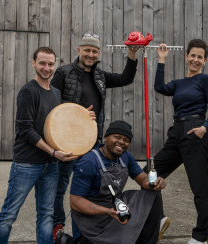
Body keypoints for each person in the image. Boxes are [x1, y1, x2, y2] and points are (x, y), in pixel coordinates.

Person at [51, 33, 139, 238]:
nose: (90, 54)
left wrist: (132, 54)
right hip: (67, 142)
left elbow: (125, 78)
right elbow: (52, 107)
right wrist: (79, 114)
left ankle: (85, 231)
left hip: (91, 143)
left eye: (94, 51)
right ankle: (58, 225)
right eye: (87, 50)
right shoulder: (63, 73)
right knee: (61, 187)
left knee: (87, 190)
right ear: (79, 50)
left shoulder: (99, 75)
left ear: (98, 53)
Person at [0, 47, 78, 244]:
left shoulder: (56, 93)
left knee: (46, 216)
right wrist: (53, 152)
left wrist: (84, 116)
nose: (46, 68)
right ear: (33, 63)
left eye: (50, 64)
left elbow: (59, 123)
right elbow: (26, 130)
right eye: (42, 63)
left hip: (50, 165)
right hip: (27, 164)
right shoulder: (28, 91)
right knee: (9, 215)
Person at [147, 39, 208, 244]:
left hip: (196, 132)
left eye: (200, 57)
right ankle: (159, 218)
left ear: (204, 60)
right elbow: (159, 87)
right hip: (176, 133)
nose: (195, 59)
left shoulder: (205, 80)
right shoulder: (179, 83)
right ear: (186, 56)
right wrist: (161, 60)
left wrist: (204, 128)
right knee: (149, 174)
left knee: (201, 188)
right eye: (192, 55)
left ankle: (200, 237)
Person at [59, 120, 166, 244]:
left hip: (115, 206)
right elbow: (75, 202)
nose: (121, 142)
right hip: (92, 217)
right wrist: (108, 211)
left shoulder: (126, 157)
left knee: (152, 194)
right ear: (106, 138)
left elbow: (142, 179)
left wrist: (154, 183)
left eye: (126, 140)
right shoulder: (89, 161)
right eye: (117, 137)